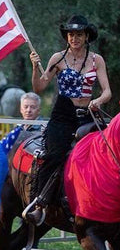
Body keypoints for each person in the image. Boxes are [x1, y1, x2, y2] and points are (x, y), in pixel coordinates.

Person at [24, 14, 112, 225]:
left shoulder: (96, 59)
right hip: (63, 114)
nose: (74, 38)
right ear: (67, 37)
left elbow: (108, 91)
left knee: (108, 153)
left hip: (88, 114)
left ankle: (105, 201)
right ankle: (40, 203)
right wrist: (36, 68)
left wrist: (98, 100)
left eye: (79, 34)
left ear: (87, 36)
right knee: (55, 155)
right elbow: (39, 87)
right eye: (71, 34)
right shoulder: (57, 58)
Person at [19, 92, 44, 250]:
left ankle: (30, 249)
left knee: (32, 214)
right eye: (26, 107)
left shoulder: (43, 128)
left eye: (32, 107)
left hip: (35, 179)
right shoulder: (17, 128)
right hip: (17, 179)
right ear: (20, 109)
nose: (29, 110)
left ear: (39, 109)